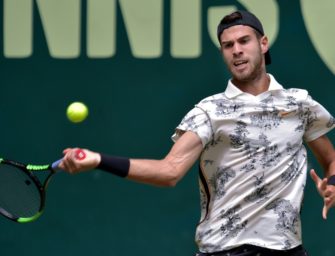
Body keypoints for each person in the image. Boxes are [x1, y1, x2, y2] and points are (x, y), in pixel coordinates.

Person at [59, 10, 335, 256]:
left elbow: (331, 160)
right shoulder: (209, 111)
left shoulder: (299, 104)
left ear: (263, 44)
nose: (236, 50)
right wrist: (98, 160)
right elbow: (169, 171)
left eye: (244, 41)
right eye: (228, 45)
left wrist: (332, 183)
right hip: (225, 250)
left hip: (287, 249)